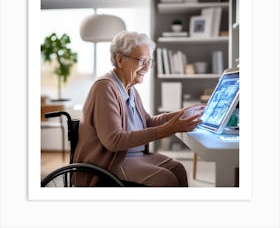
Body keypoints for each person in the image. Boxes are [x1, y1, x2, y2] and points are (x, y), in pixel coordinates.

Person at [73, 30, 204, 186]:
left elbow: (147, 122)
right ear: (120, 59)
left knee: (178, 169)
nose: (147, 68)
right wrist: (169, 128)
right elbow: (114, 141)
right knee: (165, 179)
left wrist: (181, 113)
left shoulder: (130, 89)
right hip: (111, 162)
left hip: (135, 156)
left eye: (149, 62)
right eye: (142, 61)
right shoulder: (105, 87)